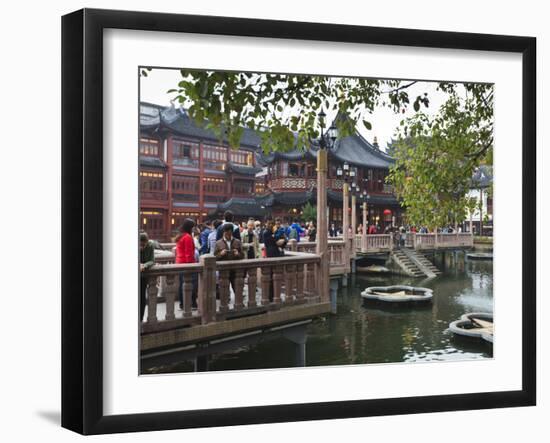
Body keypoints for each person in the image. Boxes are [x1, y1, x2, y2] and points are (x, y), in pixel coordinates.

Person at [214, 223, 244, 295]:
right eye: (226, 233)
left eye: (229, 233)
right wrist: (220, 254)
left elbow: (242, 255)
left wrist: (238, 254)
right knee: (224, 290)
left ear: (232, 232)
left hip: (235, 269)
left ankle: (239, 304)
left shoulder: (237, 242)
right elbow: (215, 257)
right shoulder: (218, 243)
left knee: (237, 289)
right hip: (224, 270)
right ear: (223, 232)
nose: (228, 235)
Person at [262, 219, 287, 302]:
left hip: (277, 254)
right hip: (271, 256)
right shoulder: (266, 233)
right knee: (271, 277)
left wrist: (283, 241)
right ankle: (270, 296)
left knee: (277, 277)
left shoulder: (276, 232)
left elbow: (283, 241)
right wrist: (277, 239)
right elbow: (273, 242)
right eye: (270, 224)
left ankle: (275, 295)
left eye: (272, 224)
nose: (272, 225)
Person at [175, 218, 198, 309]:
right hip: (186, 263)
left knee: (182, 284)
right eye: (193, 227)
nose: (194, 229)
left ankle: (182, 304)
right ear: (190, 227)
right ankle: (192, 303)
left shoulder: (180, 235)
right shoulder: (188, 237)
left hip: (180, 262)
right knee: (192, 284)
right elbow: (189, 254)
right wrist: (191, 266)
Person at [139, 232, 155, 321]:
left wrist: (144, 265)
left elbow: (152, 261)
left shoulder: (150, 246)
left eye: (143, 245)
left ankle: (140, 318)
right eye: (140, 245)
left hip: (143, 275)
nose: (141, 247)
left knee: (142, 297)